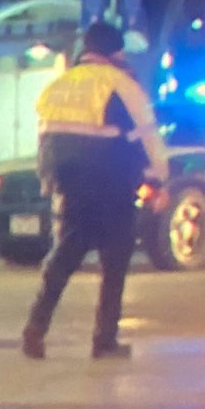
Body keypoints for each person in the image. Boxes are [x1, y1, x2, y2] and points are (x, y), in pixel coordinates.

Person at [23, 21, 169, 360]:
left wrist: (49, 180)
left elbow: (46, 141)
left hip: (70, 187)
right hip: (112, 186)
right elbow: (146, 137)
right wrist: (158, 181)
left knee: (62, 259)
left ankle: (36, 326)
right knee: (114, 264)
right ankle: (104, 340)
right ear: (115, 52)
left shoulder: (58, 85)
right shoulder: (120, 84)